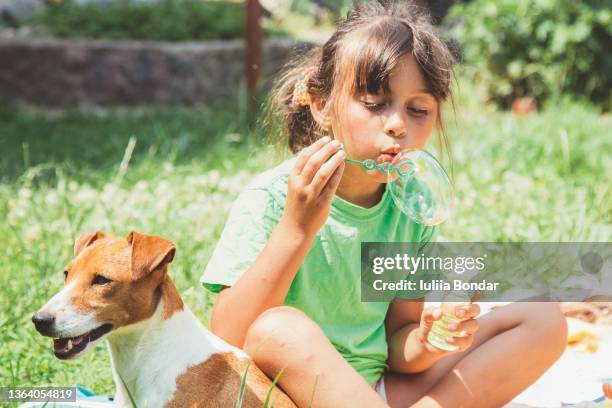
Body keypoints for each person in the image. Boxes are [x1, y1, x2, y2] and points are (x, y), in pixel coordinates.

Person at [201, 1, 567, 406]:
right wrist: (297, 228)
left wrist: (430, 340)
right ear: (321, 105)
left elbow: (398, 345)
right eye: (375, 104)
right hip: (283, 395)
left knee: (541, 318)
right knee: (277, 328)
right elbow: (229, 339)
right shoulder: (271, 199)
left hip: (376, 391)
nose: (398, 124)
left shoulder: (411, 210)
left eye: (418, 110)